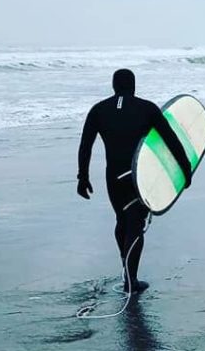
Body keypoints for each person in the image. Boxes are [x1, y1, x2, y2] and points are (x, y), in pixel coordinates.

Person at [77, 68, 192, 294]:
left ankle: (126, 268)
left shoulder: (98, 110)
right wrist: (185, 170)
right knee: (135, 224)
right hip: (139, 175)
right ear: (134, 86)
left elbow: (85, 145)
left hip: (113, 178)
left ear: (113, 86)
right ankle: (131, 280)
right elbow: (171, 139)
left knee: (121, 220)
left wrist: (83, 176)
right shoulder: (147, 108)